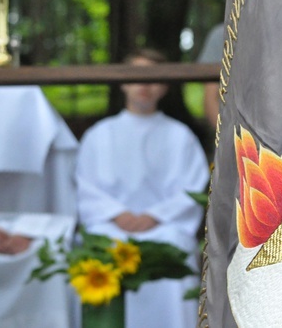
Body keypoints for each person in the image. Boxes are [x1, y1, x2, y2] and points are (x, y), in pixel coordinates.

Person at [75, 48, 210, 328]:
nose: (144, 85)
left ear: (164, 87)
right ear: (123, 82)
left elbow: (192, 188)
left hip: (165, 228)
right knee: (92, 246)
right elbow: (85, 186)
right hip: (109, 227)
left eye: (153, 78)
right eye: (137, 76)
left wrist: (154, 216)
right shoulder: (99, 135)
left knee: (175, 246)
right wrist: (117, 214)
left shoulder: (180, 136)